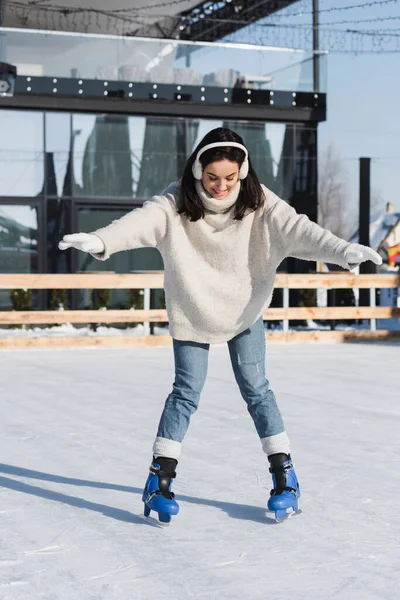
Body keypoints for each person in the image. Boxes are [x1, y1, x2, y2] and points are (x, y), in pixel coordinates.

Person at [59, 127, 381, 524]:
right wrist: (100, 239)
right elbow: (140, 222)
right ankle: (158, 483)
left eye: (230, 177)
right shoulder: (176, 201)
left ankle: (286, 479)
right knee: (185, 393)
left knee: (257, 390)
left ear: (242, 172)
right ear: (198, 170)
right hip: (193, 310)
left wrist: (341, 250)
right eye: (212, 177)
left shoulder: (260, 203)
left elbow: (300, 230)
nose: (220, 186)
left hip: (245, 310)